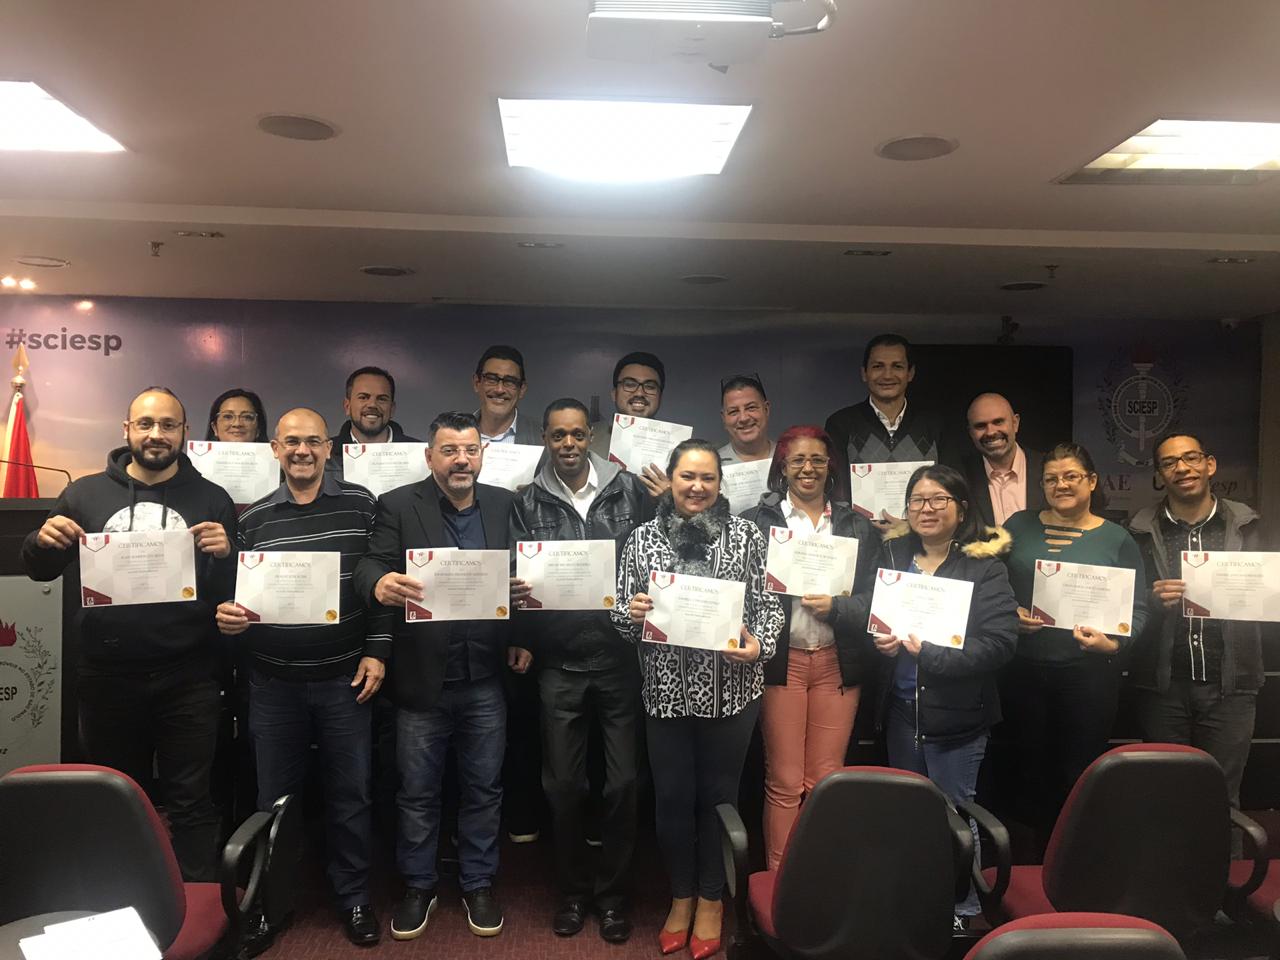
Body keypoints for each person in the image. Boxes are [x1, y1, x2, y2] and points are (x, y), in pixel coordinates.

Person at [21, 386, 236, 881]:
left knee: (191, 800)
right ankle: (121, 900)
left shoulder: (212, 498)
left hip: (189, 678)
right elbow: (39, 568)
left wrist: (226, 556)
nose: (156, 434)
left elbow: (229, 591)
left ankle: (197, 906)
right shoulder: (84, 494)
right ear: (127, 430)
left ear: (184, 432)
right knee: (115, 798)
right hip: (107, 677)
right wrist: (40, 540)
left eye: (168, 425)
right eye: (145, 424)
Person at [214, 408, 391, 947]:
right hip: (273, 684)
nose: (302, 451)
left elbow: (378, 583)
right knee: (274, 800)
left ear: (329, 447)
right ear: (275, 448)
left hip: (345, 681)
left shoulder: (362, 505)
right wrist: (231, 619)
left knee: (351, 795)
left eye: (313, 441)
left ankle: (354, 897)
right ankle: (273, 902)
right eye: (291, 442)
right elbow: (237, 598)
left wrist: (378, 651)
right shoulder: (253, 520)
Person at [353, 411, 532, 941]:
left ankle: (478, 882)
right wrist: (379, 582)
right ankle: (419, 885)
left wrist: (521, 615)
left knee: (484, 789)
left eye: (470, 450)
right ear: (429, 456)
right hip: (422, 679)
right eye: (450, 450)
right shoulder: (397, 504)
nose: (461, 460)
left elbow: (522, 569)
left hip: (485, 678)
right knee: (416, 793)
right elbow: (368, 564)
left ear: (482, 455)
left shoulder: (503, 503)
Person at [613, 439, 783, 960]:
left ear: (720, 482)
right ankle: (681, 895)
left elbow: (768, 606)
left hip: (731, 694)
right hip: (666, 692)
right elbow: (620, 613)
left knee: (719, 798)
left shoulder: (746, 536)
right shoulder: (641, 538)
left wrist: (759, 645)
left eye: (707, 477)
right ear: (670, 480)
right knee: (671, 799)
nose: (697, 487)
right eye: (687, 476)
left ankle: (711, 898)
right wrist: (632, 613)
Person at [509, 398, 651, 943]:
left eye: (576, 434)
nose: (567, 444)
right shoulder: (527, 500)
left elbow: (652, 558)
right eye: (557, 435)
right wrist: (518, 609)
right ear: (545, 439)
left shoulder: (629, 490)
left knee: (623, 784)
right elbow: (517, 569)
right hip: (560, 661)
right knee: (564, 786)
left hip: (619, 659)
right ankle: (571, 893)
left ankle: (612, 897)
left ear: (590, 435)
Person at [870, 464, 1018, 928]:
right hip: (901, 714)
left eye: (939, 499)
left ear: (962, 509)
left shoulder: (984, 567)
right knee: (909, 814)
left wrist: (931, 655)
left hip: (958, 718)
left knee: (955, 814)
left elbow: (1000, 643)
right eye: (917, 500)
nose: (927, 508)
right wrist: (881, 642)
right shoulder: (894, 559)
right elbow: (874, 618)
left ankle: (962, 908)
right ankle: (915, 902)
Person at [741, 426, 878, 871]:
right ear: (782, 467)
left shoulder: (855, 524)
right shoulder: (757, 522)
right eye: (797, 460)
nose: (808, 468)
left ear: (830, 466)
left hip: (837, 664)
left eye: (818, 459)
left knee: (825, 780)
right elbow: (742, 593)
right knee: (784, 781)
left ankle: (819, 877)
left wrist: (838, 608)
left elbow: (875, 599)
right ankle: (780, 880)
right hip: (784, 664)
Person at [1001, 442, 1149, 840]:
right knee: (1027, 769)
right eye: (1051, 479)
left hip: (1088, 676)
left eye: (1071, 476)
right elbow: (988, 583)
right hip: (1023, 672)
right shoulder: (1017, 526)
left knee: (1079, 771)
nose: (1061, 485)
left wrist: (1114, 645)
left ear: (1092, 481)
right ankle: (1030, 859)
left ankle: (1075, 853)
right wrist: (1009, 611)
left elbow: (1138, 609)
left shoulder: (1117, 538)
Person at [1128, 432, 1263, 817]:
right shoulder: (1137, 533)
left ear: (1210, 464)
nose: (1182, 468)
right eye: (1170, 463)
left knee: (1223, 800)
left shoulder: (1252, 527)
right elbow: (1125, 601)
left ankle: (1224, 860)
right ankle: (1168, 860)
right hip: (1163, 687)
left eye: (1191, 458)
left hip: (1231, 687)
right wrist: (1151, 599)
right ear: (1160, 475)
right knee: (1165, 797)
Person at [824, 333, 942, 505]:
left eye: (897, 366)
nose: (887, 375)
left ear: (910, 373)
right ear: (864, 373)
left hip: (925, 522)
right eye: (878, 366)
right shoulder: (840, 424)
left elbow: (952, 488)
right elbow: (837, 493)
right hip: (858, 524)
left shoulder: (935, 424)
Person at [588, 351, 671, 497]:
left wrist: (670, 499)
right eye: (630, 384)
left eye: (650, 386)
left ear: (660, 396)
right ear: (614, 393)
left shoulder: (678, 447)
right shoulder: (587, 439)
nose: (639, 393)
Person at [963, 392, 1043, 527]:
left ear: (1015, 423)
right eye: (980, 426)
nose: (990, 432)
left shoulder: (1047, 468)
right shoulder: (960, 476)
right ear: (971, 432)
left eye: (998, 422)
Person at [330, 365, 421, 448]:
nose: (372, 404)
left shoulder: (420, 454)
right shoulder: (326, 453)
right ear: (347, 406)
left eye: (381, 399)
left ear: (392, 409)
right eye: (363, 397)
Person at [472, 344, 541, 444]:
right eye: (491, 379)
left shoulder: (543, 439)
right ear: (476, 383)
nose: (499, 390)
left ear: (522, 389)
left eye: (510, 381)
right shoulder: (452, 433)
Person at [718, 375, 774, 465]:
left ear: (766, 410)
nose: (743, 418)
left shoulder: (788, 457)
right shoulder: (712, 465)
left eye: (751, 408)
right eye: (733, 411)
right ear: (724, 418)